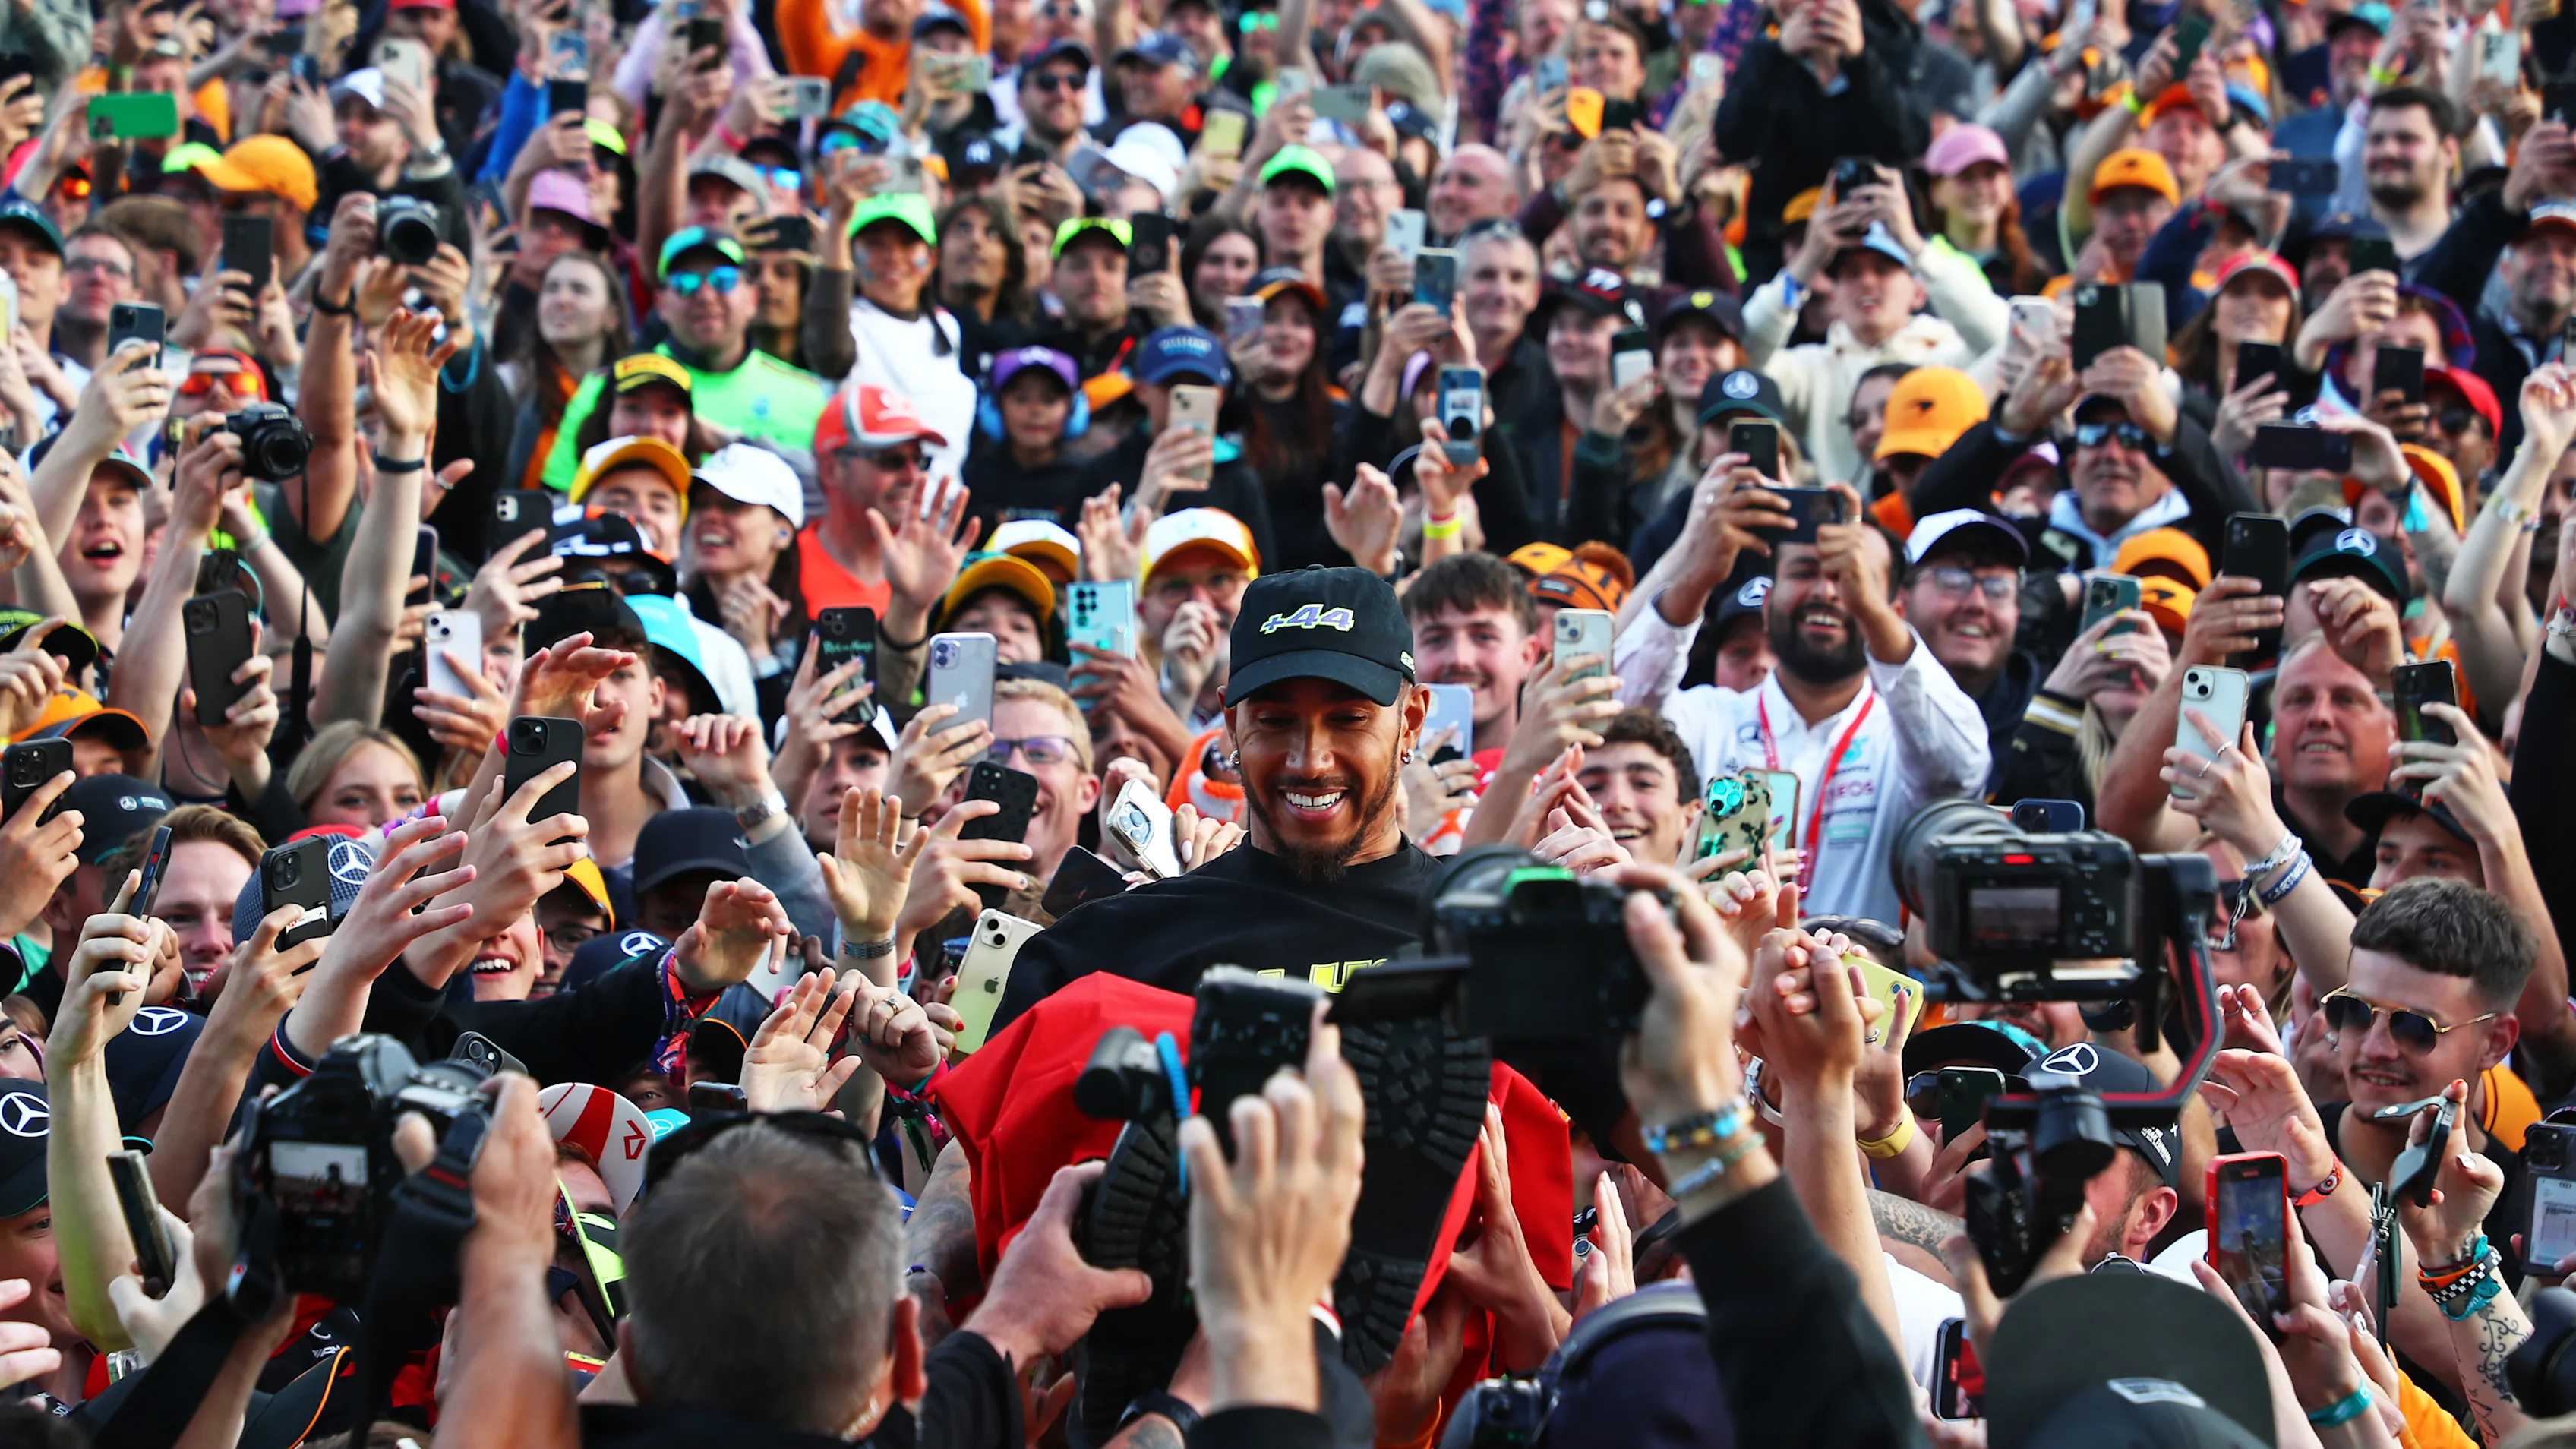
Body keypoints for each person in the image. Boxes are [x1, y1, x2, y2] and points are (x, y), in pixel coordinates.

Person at [1615, 478, 1990, 922]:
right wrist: (1699, 575)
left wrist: (1869, 609)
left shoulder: (1905, 740)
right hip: (1719, 983)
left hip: (1856, 986)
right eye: (1805, 572)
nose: (1827, 592)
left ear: (1895, 613)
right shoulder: (1707, 717)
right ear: (1768, 607)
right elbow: (1614, 720)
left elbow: (1963, 770)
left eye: (1852, 578)